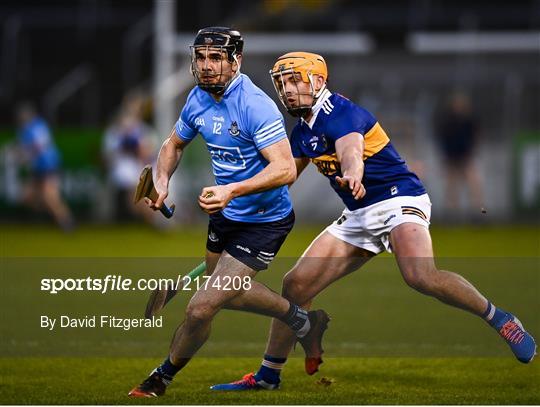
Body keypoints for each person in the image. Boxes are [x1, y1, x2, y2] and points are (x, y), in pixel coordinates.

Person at [210, 52, 536, 391]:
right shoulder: (301, 131)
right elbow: (283, 176)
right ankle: (267, 376)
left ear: (319, 81)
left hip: (399, 199)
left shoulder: (341, 113)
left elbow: (351, 150)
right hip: (359, 215)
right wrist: (236, 200)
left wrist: (352, 174)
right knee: (296, 285)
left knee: (420, 275)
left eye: (294, 80)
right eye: (282, 84)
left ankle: (501, 320)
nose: (288, 90)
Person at [128, 29, 330, 398]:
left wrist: (231, 189)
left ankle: (161, 377)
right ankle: (303, 319)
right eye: (202, 57)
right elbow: (173, 144)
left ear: (235, 61)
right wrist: (161, 179)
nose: (206, 66)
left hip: (263, 220)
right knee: (224, 294)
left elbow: (285, 169)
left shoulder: (255, 105)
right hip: (225, 216)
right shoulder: (196, 99)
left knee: (201, 307)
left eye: (216, 58)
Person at [15, 102, 74, 231]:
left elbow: (38, 146)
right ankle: (55, 214)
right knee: (27, 197)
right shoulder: (24, 130)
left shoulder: (37, 126)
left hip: (49, 165)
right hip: (37, 169)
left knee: (51, 197)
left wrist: (22, 155)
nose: (23, 117)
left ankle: (67, 222)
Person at [103, 92, 157, 223]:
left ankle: (155, 221)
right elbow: (108, 152)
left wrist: (138, 147)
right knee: (133, 199)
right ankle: (153, 221)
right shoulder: (117, 130)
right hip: (124, 169)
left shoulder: (145, 130)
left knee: (139, 199)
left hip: (142, 169)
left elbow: (148, 153)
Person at [435, 92, 484, 214]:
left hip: (466, 158)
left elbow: (475, 137)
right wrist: (446, 157)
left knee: (474, 185)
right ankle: (452, 213)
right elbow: (443, 140)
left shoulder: (469, 121)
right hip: (452, 159)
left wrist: (471, 153)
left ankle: (479, 212)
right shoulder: (448, 122)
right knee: (451, 187)